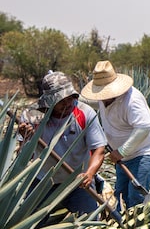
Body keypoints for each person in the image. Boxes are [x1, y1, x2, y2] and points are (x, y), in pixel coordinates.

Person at [18, 71, 108, 215]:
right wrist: (27, 139)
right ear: (49, 100)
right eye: (61, 100)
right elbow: (22, 156)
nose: (67, 103)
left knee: (88, 225)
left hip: (77, 181)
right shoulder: (32, 116)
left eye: (70, 97)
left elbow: (99, 149)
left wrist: (89, 174)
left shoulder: (84, 113)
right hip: (43, 181)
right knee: (29, 228)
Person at [80, 60, 150, 211]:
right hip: (122, 156)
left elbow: (143, 127)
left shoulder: (131, 100)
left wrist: (121, 151)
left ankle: (137, 228)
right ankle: (123, 223)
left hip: (145, 151)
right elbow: (89, 103)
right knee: (120, 194)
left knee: (135, 196)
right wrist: (71, 98)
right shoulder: (103, 98)